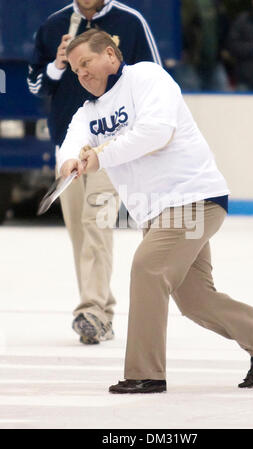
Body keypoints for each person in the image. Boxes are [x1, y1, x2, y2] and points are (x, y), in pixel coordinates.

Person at [58, 29, 253, 393]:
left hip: (192, 199)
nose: (81, 74)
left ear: (111, 56)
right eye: (74, 69)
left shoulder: (148, 77)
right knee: (194, 299)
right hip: (159, 213)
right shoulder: (88, 113)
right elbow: (72, 140)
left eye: (86, 62)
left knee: (147, 269)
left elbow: (157, 132)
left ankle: (145, 373)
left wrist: (100, 156)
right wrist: (70, 160)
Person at [27, 0, 161, 345]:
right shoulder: (54, 24)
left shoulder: (130, 22)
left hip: (111, 148)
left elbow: (154, 78)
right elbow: (34, 86)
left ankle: (92, 310)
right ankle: (100, 309)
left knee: (96, 222)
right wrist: (57, 67)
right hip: (68, 146)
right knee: (80, 233)